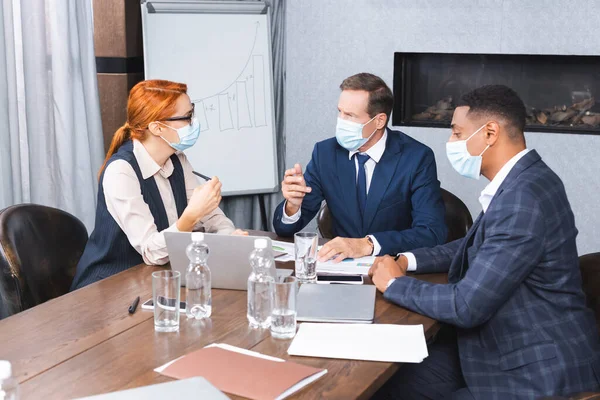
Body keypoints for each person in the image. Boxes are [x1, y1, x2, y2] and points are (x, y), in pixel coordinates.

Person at [370, 85, 600, 399]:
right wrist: (407, 261)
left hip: (535, 372)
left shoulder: (522, 199)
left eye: (456, 132)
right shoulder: (526, 178)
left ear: (489, 133)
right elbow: (474, 245)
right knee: (391, 379)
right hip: (505, 345)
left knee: (390, 381)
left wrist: (395, 284)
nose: (451, 143)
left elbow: (465, 306)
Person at [71, 80, 246, 290]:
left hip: (155, 281)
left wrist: (229, 240)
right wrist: (190, 216)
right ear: (157, 127)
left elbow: (214, 219)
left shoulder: (178, 160)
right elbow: (152, 252)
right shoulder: (121, 171)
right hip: (109, 288)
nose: (194, 122)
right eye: (187, 117)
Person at [272, 73, 447, 261]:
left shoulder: (416, 158)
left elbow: (432, 232)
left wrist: (368, 244)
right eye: (340, 112)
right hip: (338, 268)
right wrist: (292, 205)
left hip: (392, 268)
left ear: (379, 120)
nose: (341, 121)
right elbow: (284, 229)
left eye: (350, 115)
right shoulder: (325, 153)